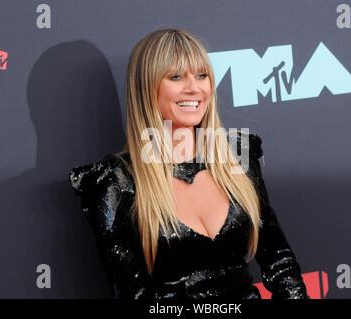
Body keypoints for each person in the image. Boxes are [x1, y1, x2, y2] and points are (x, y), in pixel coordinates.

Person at [69, 28, 307, 299]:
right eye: (176, 76)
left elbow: (279, 261)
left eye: (201, 75)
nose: (194, 88)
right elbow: (133, 294)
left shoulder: (236, 155)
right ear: (147, 88)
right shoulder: (117, 182)